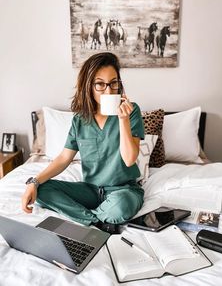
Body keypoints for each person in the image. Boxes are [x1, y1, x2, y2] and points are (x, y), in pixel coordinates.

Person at [21, 52, 145, 233]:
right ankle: (97, 222)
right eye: (100, 84)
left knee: (121, 206)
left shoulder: (131, 112)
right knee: (42, 190)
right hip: (90, 190)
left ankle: (85, 220)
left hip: (123, 191)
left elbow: (129, 159)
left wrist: (122, 120)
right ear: (89, 86)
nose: (109, 90)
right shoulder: (80, 119)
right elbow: (64, 158)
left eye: (113, 83)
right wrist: (34, 182)